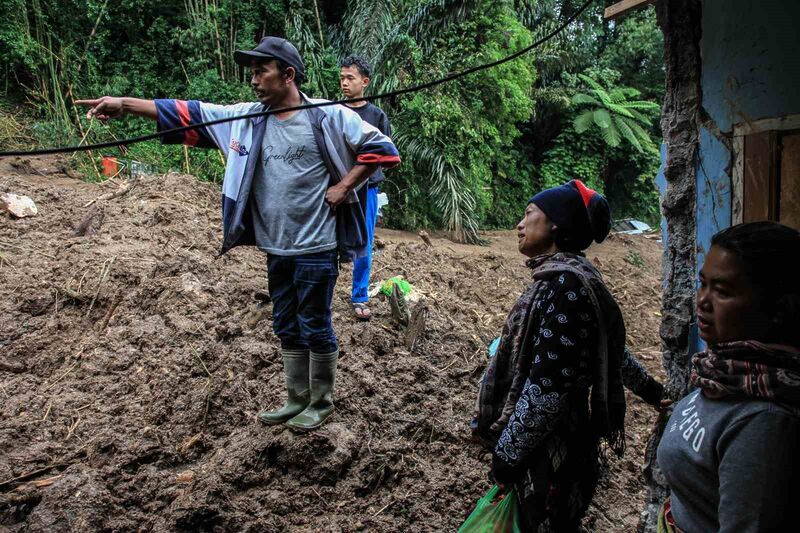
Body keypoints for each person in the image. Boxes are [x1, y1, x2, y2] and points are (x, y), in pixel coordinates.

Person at [76, 36, 400, 432]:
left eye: (261, 71)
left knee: (315, 323)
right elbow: (186, 114)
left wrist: (345, 185)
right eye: (252, 72)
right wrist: (124, 105)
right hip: (276, 246)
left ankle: (321, 401)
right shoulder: (246, 118)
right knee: (285, 322)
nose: (253, 80)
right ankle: (296, 398)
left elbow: (383, 149)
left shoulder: (327, 116)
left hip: (316, 244)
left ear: (288, 75)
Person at [471, 179, 664, 532]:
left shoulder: (567, 288)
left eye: (529, 214)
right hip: (562, 442)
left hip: (551, 448)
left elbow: (548, 387)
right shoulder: (567, 281)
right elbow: (611, 354)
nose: (519, 224)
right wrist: (655, 392)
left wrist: (508, 455)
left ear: (556, 224)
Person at [656, 221, 800, 533]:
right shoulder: (726, 372)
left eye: (722, 291)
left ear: (779, 307)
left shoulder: (765, 420)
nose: (702, 302)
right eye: (702, 284)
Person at [339, 55, 392, 321]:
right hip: (338, 186)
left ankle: (359, 296)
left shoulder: (376, 116)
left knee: (364, 242)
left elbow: (386, 153)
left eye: (350, 78)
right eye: (342, 78)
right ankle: (325, 290)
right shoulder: (334, 110)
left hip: (367, 188)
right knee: (330, 238)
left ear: (365, 82)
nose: (345, 83)